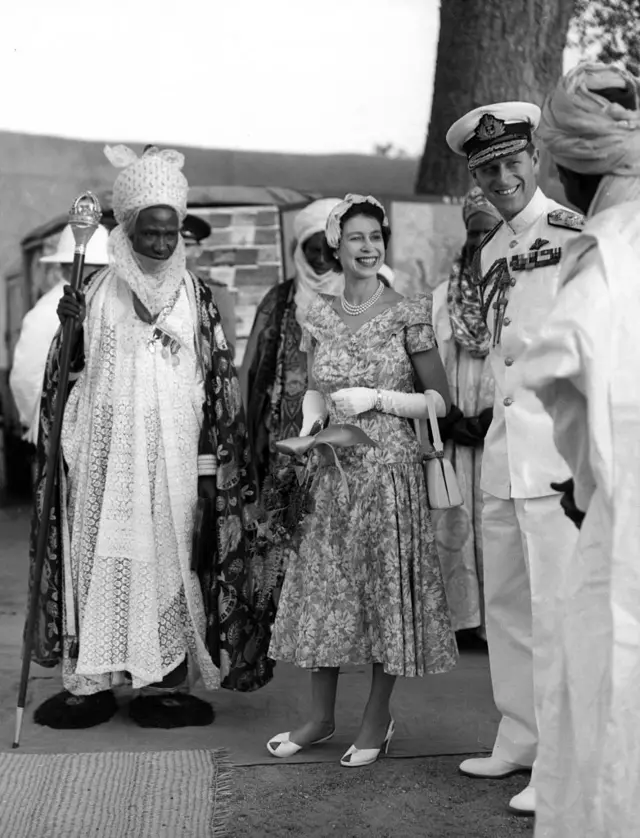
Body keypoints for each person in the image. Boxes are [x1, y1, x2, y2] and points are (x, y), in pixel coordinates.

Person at [27, 144, 268, 731]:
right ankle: (92, 684)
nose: (162, 244)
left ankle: (162, 685)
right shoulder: (93, 294)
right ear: (127, 228)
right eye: (150, 232)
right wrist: (68, 331)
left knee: (170, 565)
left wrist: (212, 471)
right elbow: (64, 378)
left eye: (171, 232)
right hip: (103, 461)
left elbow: (215, 391)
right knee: (96, 561)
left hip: (176, 464)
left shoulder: (196, 298)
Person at [265, 193, 458, 766]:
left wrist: (378, 398)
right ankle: (319, 718)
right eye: (356, 237)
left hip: (388, 474)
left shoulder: (409, 311)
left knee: (381, 597)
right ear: (336, 245)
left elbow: (440, 402)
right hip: (330, 475)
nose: (368, 246)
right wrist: (308, 424)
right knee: (325, 593)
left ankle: (378, 718)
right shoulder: (316, 313)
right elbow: (315, 387)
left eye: (376, 236)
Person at [445, 102, 584, 815]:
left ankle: (559, 762)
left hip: (555, 453)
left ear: (535, 161)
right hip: (503, 447)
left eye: (510, 163)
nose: (501, 177)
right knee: (505, 603)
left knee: (557, 610)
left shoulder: (572, 233)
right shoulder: (495, 247)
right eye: (486, 168)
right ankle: (518, 736)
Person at [519, 63, 640, 838]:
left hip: (625, 524)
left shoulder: (604, 252)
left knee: (609, 721)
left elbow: (559, 371)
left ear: (568, 166)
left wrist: (585, 483)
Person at [431, 187, 501, 641]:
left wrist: (494, 418)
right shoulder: (441, 298)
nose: (479, 242)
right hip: (454, 433)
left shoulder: (523, 292)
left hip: (501, 433)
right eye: (473, 233)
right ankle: (460, 621)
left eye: (489, 231)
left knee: (498, 526)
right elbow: (422, 362)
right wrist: (450, 416)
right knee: (454, 520)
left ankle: (497, 624)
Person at [240, 198, 343, 489]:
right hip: (284, 431)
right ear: (299, 250)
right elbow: (253, 369)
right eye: (313, 248)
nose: (322, 257)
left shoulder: (361, 295)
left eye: (329, 248)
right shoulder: (278, 300)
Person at [9, 224, 110, 445]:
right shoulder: (45, 313)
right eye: (97, 267)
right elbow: (25, 380)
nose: (103, 274)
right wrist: (45, 422)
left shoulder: (100, 304)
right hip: (57, 434)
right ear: (72, 267)